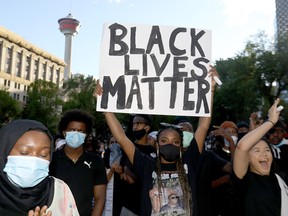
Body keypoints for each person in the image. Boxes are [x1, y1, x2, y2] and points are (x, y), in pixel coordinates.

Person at [96, 65, 218, 215]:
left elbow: (203, 126)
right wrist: (105, 107)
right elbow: (121, 138)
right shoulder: (147, 166)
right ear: (157, 145)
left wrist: (210, 90)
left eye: (175, 142)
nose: (170, 144)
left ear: (181, 147)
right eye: (164, 140)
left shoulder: (189, 161)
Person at [0, 119, 79, 216]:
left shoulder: (60, 190)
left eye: (43, 154)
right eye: (24, 152)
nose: (34, 162)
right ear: (4, 151)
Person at [231, 98, 288, 216]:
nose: (263, 154)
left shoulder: (280, 180)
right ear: (247, 158)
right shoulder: (245, 180)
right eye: (257, 150)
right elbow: (242, 147)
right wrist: (271, 121)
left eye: (267, 150)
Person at [49, 109, 108, 216]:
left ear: (86, 134)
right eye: (72, 130)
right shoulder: (52, 160)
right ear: (64, 132)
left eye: (81, 131)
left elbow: (100, 198)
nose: (76, 134)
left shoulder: (96, 161)